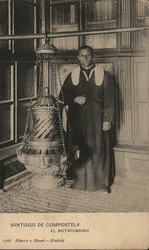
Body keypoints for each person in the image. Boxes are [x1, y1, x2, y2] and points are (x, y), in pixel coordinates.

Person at [60, 45, 115, 192]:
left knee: (99, 150)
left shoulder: (104, 75)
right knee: (82, 150)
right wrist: (74, 99)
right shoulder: (72, 75)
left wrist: (107, 119)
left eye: (88, 55)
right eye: (82, 55)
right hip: (78, 122)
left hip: (98, 122)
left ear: (93, 56)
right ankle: (80, 183)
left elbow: (110, 99)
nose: (85, 58)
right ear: (78, 57)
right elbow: (62, 96)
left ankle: (101, 184)